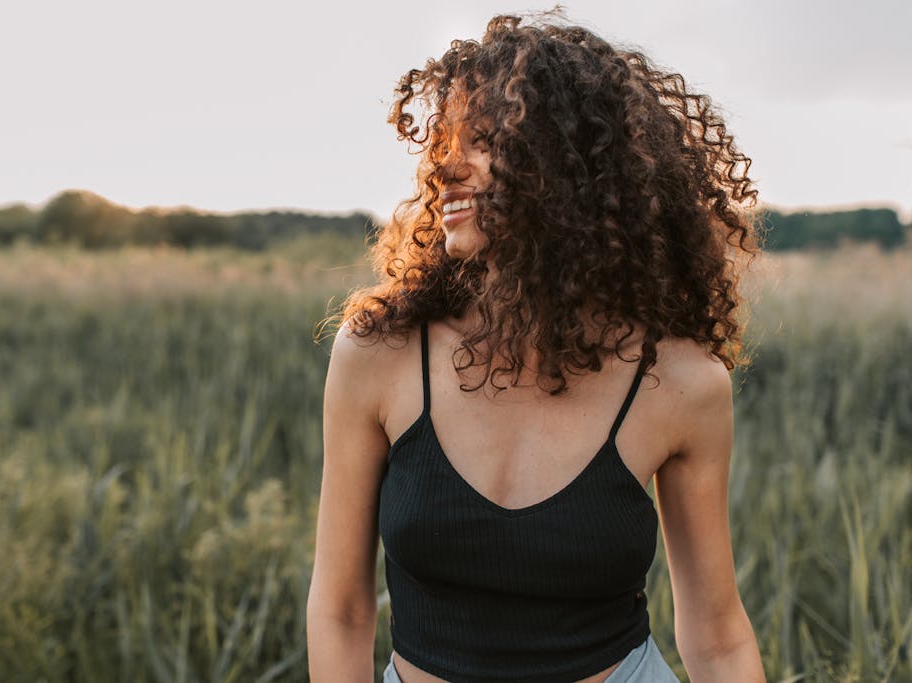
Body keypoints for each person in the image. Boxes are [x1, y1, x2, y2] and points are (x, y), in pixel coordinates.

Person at [307, 11, 766, 683]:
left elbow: (718, 635)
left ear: (568, 168)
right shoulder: (379, 351)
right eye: (444, 142)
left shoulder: (680, 383)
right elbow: (342, 608)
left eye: (484, 139)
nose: (447, 167)